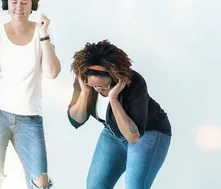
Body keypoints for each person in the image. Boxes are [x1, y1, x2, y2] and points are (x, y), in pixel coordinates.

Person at [0, 0, 61, 189]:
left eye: (24, 2)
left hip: (29, 118)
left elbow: (52, 72)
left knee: (40, 182)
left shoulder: (41, 34)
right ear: (7, 3)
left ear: (33, 5)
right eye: (14, 2)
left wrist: (45, 34)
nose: (18, 7)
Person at [67, 39, 172, 189]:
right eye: (94, 85)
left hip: (148, 132)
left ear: (114, 77)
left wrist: (113, 98)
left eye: (103, 86)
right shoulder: (84, 81)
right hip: (113, 133)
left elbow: (133, 137)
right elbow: (76, 119)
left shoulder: (134, 82)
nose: (98, 89)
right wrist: (84, 92)